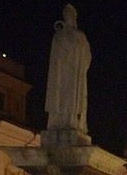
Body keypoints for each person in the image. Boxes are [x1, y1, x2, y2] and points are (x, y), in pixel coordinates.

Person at [45, 3, 92, 133]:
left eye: (70, 14)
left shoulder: (80, 36)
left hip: (74, 72)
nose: (67, 16)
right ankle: (57, 120)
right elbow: (55, 56)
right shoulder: (59, 35)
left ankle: (72, 120)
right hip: (60, 73)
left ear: (74, 16)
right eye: (65, 14)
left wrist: (78, 59)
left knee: (72, 100)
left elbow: (87, 56)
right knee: (59, 98)